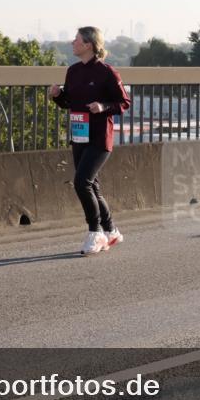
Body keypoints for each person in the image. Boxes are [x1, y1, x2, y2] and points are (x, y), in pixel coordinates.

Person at [51, 27, 131, 254]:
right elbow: (70, 103)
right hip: (79, 135)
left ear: (88, 44)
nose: (72, 43)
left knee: (82, 182)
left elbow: (124, 103)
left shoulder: (107, 72)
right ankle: (111, 231)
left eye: (76, 40)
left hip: (99, 137)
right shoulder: (73, 71)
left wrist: (103, 106)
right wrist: (58, 96)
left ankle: (95, 233)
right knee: (92, 185)